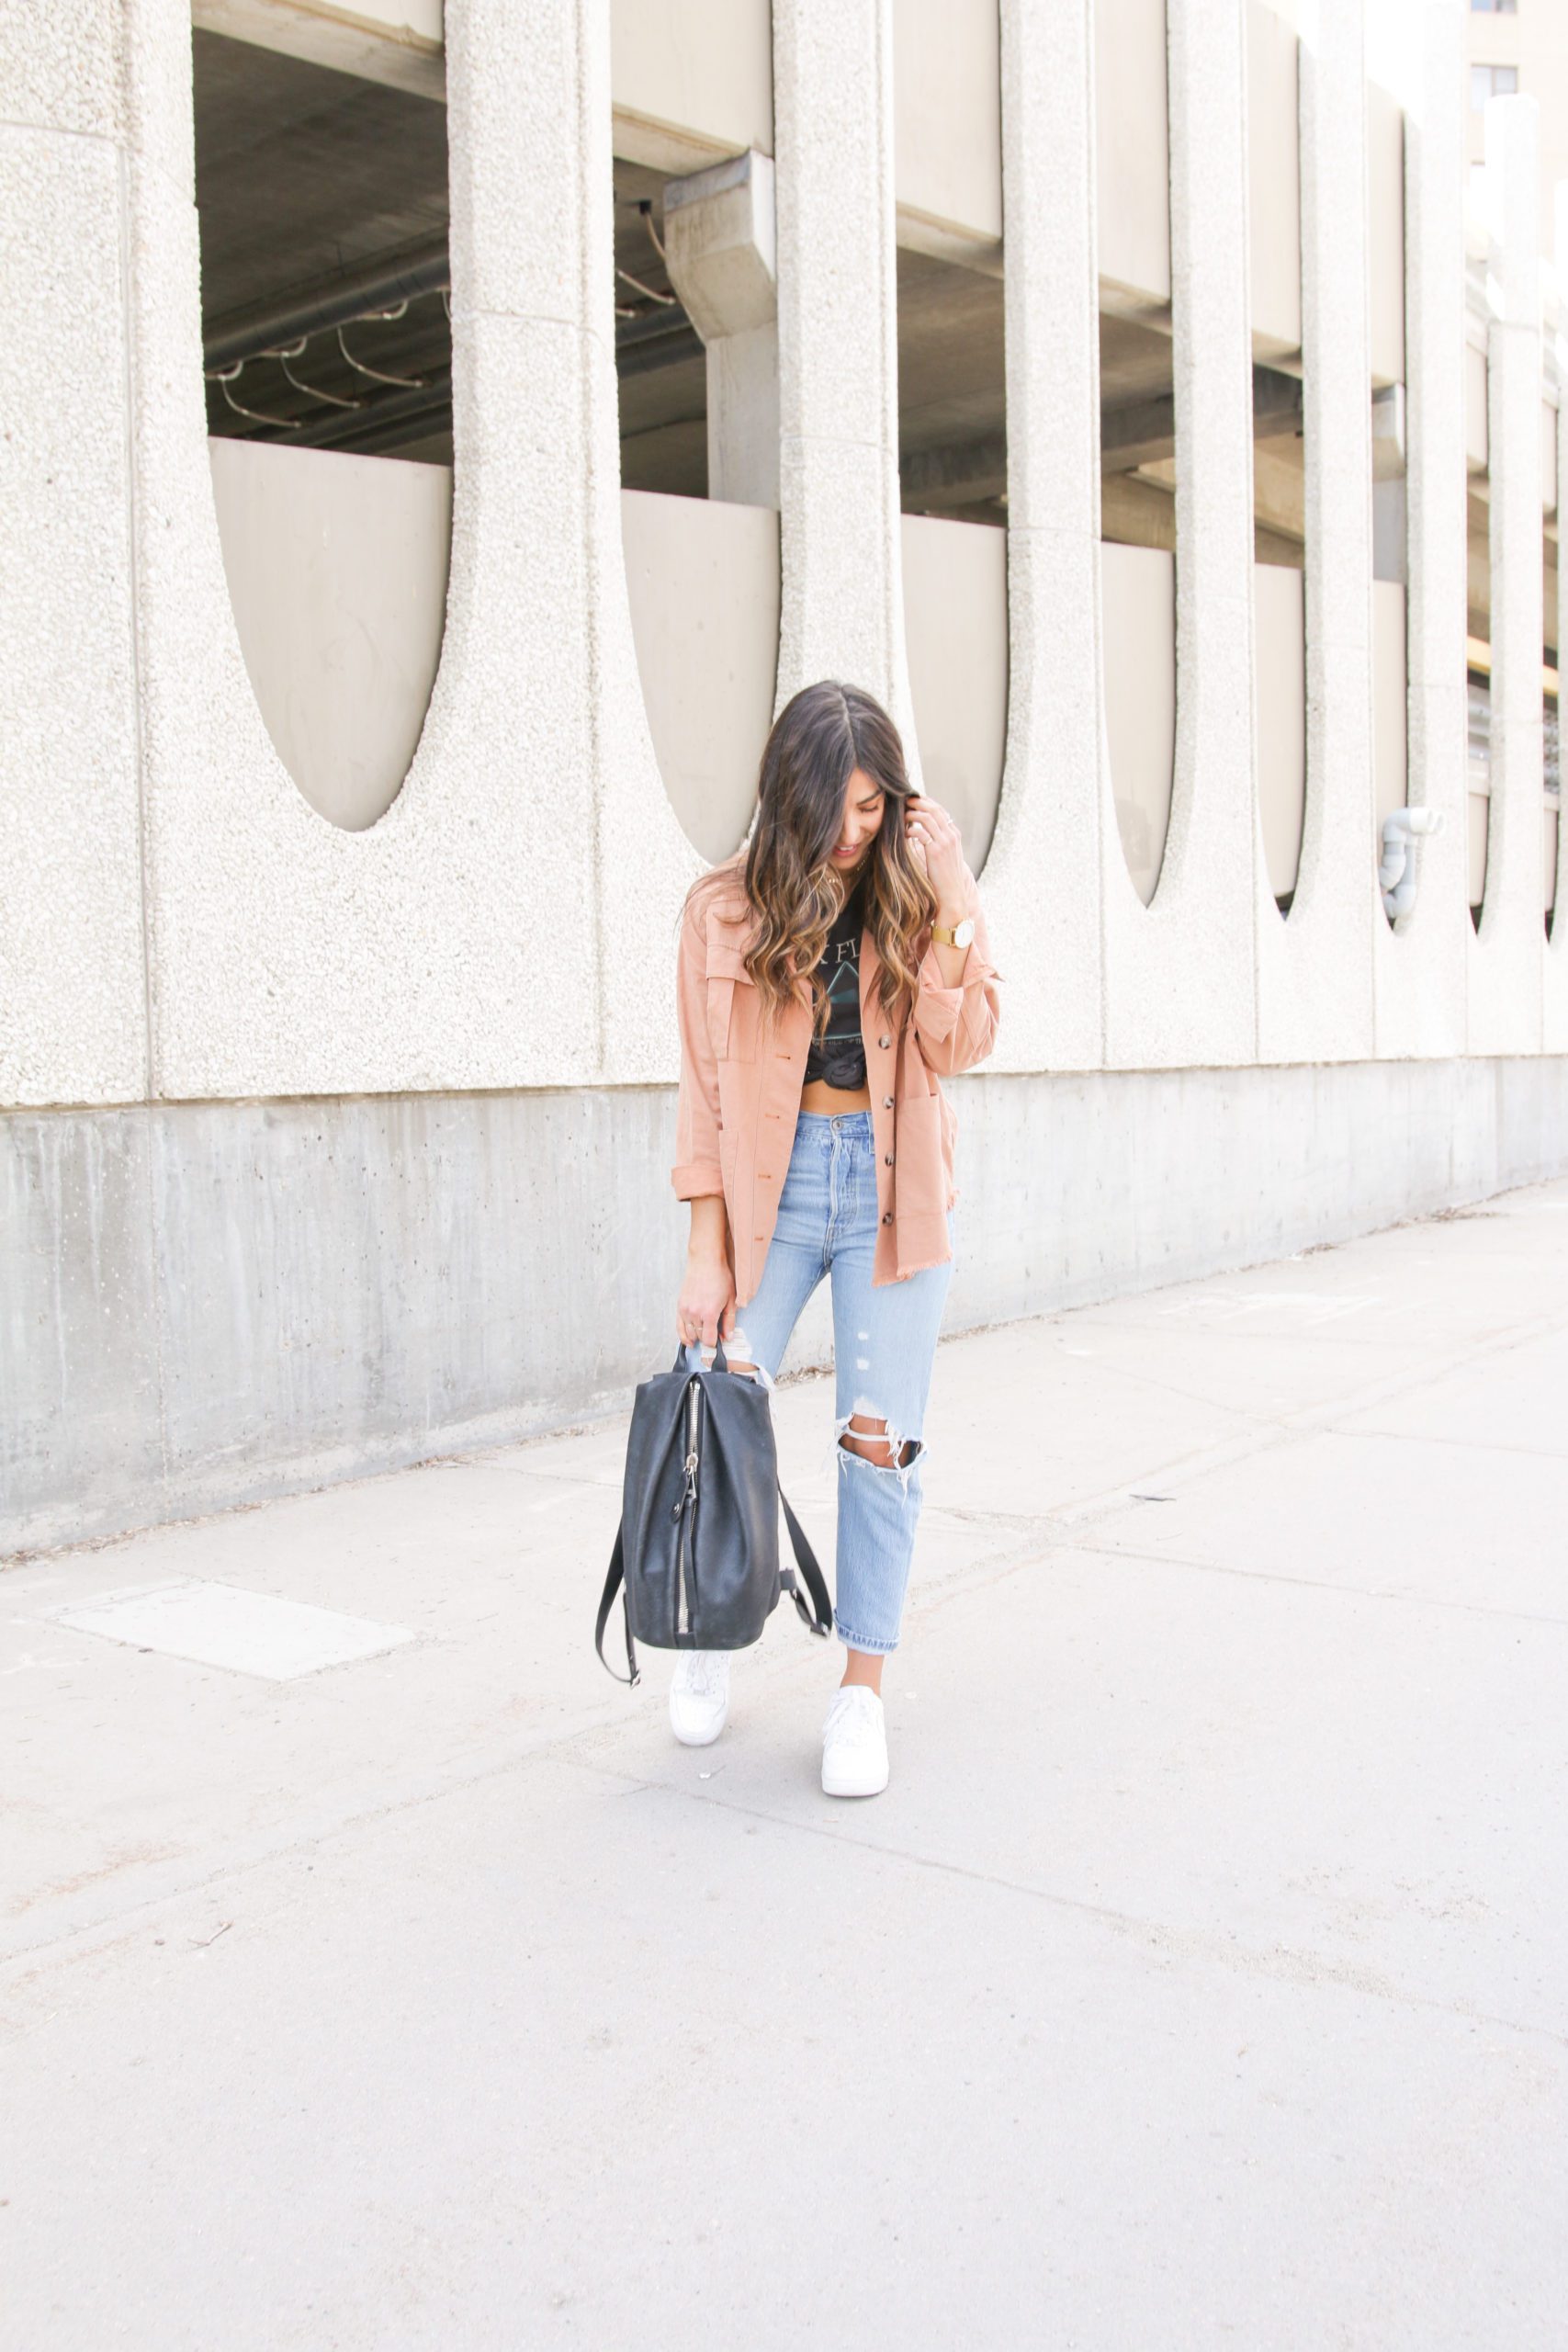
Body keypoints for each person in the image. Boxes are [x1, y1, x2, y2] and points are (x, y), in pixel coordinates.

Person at [667, 678, 1002, 1797]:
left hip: (891, 1188)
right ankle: (711, 1633)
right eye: (838, 812)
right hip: (773, 1186)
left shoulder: (912, 899)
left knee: (879, 1441)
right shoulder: (721, 912)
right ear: (791, 797)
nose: (855, 835)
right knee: (724, 1402)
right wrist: (704, 1248)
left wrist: (954, 891)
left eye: (874, 811)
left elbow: (967, 1040)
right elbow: (705, 1091)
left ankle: (860, 1692)